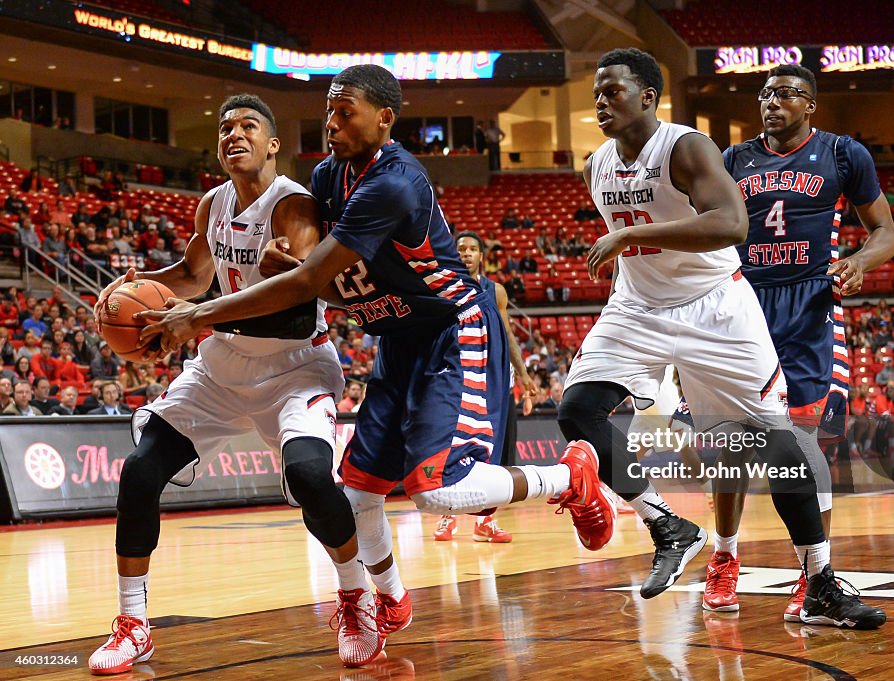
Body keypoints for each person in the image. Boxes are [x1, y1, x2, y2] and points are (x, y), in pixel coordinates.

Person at [138, 68, 614, 664]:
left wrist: (210, 309)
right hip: (395, 337)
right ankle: (388, 597)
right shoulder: (326, 175)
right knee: (359, 489)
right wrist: (294, 268)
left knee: (436, 492)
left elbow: (311, 281)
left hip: (450, 330)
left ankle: (571, 477)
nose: (332, 123)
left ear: (385, 118)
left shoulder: (396, 182)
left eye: (346, 112)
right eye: (328, 111)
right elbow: (335, 289)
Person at [564, 48, 884, 628]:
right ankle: (672, 527)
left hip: (723, 308)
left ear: (648, 97)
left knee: (781, 446)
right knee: (578, 410)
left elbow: (731, 224)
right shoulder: (597, 165)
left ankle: (818, 583)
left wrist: (626, 239)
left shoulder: (687, 147)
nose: (601, 102)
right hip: (639, 307)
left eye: (613, 91)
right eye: (596, 94)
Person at [86, 94, 362, 673]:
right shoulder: (211, 204)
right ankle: (133, 623)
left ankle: (355, 596)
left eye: (248, 126)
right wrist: (128, 292)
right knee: (140, 472)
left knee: (312, 477)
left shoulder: (294, 206)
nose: (234, 135)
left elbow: (294, 305)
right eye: (225, 128)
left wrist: (198, 317)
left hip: (295, 367)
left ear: (272, 143)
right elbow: (192, 275)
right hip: (221, 366)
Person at [704, 62, 894, 617]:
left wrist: (859, 261)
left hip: (810, 304)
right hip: (742, 305)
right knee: (734, 447)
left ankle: (813, 577)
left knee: (809, 445)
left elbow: (885, 231)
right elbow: (705, 233)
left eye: (787, 94)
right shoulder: (732, 159)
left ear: (810, 104)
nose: (773, 102)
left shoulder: (842, 154)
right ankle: (724, 558)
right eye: (766, 94)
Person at [433, 231, 538, 543]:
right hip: (461, 382)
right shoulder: (444, 288)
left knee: (496, 455)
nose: (466, 253)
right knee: (454, 451)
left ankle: (485, 521)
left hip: (496, 382)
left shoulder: (496, 291)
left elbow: (507, 336)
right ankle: (447, 514)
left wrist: (522, 375)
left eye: (472, 249)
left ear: (482, 256)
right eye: (461, 249)